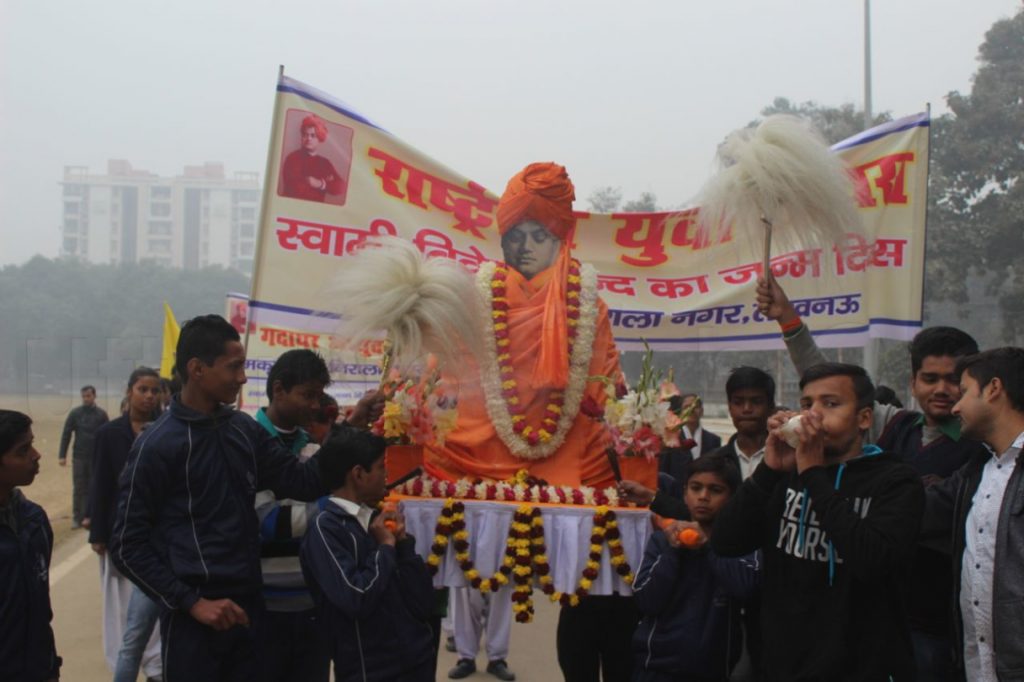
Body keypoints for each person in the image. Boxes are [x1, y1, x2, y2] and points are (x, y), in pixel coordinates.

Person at [428, 163, 621, 682]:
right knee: (469, 571)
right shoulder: (476, 294)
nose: (528, 246)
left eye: (541, 234)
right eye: (517, 234)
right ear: (502, 236)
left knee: (577, 590)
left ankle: (499, 653)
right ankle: (468, 653)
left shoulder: (589, 302)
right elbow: (448, 374)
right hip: (479, 450)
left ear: (562, 238)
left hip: (569, 456)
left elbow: (605, 381)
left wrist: (620, 414)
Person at [756, 277, 984, 678]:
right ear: (913, 383)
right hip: (865, 616)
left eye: (954, 380)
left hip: (935, 620)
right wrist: (789, 319)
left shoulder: (982, 450)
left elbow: (925, 518)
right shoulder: (899, 426)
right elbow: (833, 387)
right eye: (930, 378)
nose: (943, 389)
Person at [110, 315, 328, 682]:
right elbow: (126, 545)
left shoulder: (244, 431)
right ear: (197, 369)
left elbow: (302, 481)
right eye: (234, 366)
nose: (243, 377)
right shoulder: (157, 444)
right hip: (195, 623)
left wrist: (353, 436)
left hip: (252, 612)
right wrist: (191, 602)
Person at [712, 363, 924, 680]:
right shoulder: (787, 473)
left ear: (864, 418)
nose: (813, 415)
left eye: (831, 403)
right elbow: (726, 541)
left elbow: (872, 560)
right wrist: (769, 470)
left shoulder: (896, 481)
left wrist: (813, 473)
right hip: (784, 665)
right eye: (807, 404)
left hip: (862, 667)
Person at [921, 347, 1024, 680]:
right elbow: (919, 510)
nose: (955, 406)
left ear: (993, 389)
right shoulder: (976, 471)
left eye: (964, 392)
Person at [300, 427, 435, 681]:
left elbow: (423, 601)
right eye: (382, 468)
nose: (388, 476)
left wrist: (403, 544)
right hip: (371, 669)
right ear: (359, 474)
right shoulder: (325, 529)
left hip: (416, 661)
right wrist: (385, 548)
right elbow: (356, 597)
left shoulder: (376, 520)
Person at [632, 453, 759, 682]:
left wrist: (708, 545)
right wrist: (674, 550)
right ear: (684, 493)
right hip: (656, 669)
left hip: (713, 671)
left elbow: (744, 587)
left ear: (731, 498)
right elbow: (647, 601)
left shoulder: (741, 544)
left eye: (715, 490)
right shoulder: (662, 541)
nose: (703, 497)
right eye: (696, 488)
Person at [254, 349, 333, 682]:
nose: (315, 405)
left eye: (318, 396)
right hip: (260, 605)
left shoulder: (312, 448)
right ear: (279, 390)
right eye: (307, 395)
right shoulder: (247, 441)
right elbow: (267, 522)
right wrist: (337, 505)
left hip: (312, 604)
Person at [88, 367, 164, 682]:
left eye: (154, 390)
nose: (148, 396)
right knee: (124, 618)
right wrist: (98, 533)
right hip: (119, 538)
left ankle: (156, 669)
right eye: (142, 389)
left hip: (158, 538)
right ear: (129, 391)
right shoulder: (109, 434)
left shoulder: (165, 430)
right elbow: (100, 484)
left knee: (155, 619)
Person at [0, 410, 61, 682]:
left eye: (32, 444)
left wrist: (50, 668)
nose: (36, 455)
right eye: (23, 450)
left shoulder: (34, 520)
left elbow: (40, 607)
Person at [59, 384, 109, 528]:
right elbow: (66, 434)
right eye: (84, 396)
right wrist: (62, 455)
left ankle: (92, 516)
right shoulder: (75, 414)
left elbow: (107, 436)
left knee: (94, 486)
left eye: (88, 396)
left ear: (94, 396)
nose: (86, 399)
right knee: (79, 487)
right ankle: (77, 517)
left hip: (96, 457)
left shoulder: (101, 415)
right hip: (79, 457)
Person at [281, 114, 345, 202]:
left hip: (317, 212)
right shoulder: (292, 158)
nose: (308, 139)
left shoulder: (325, 163)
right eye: (305, 135)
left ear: (319, 138)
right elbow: (296, 190)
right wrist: (328, 183)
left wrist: (320, 184)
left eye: (313, 135)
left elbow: (341, 187)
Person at [659, 394, 721, 484]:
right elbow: (663, 472)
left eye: (696, 406)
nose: (691, 409)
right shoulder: (670, 439)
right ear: (680, 412)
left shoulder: (714, 440)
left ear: (702, 411)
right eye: (687, 407)